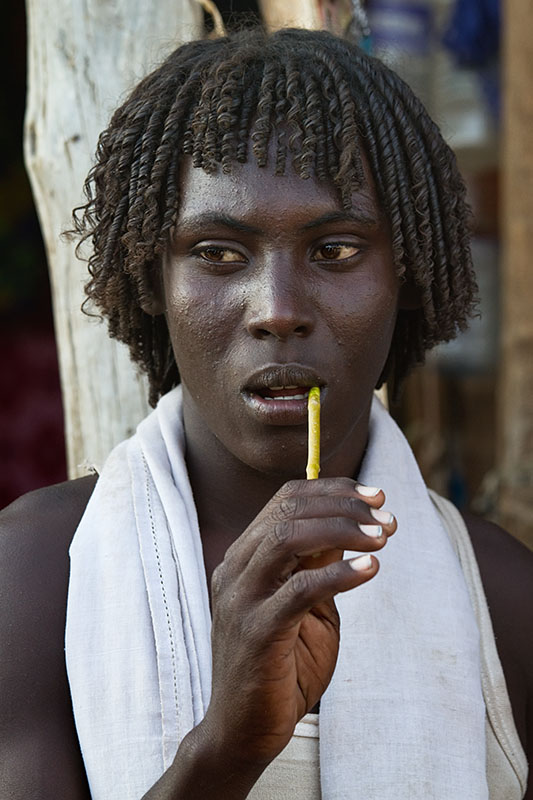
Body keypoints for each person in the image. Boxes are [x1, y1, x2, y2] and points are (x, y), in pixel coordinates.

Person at [1, 26, 531, 800]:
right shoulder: (34, 578)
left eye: (335, 250)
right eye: (218, 252)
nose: (277, 312)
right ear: (153, 281)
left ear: (407, 275)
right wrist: (225, 747)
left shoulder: (504, 600)